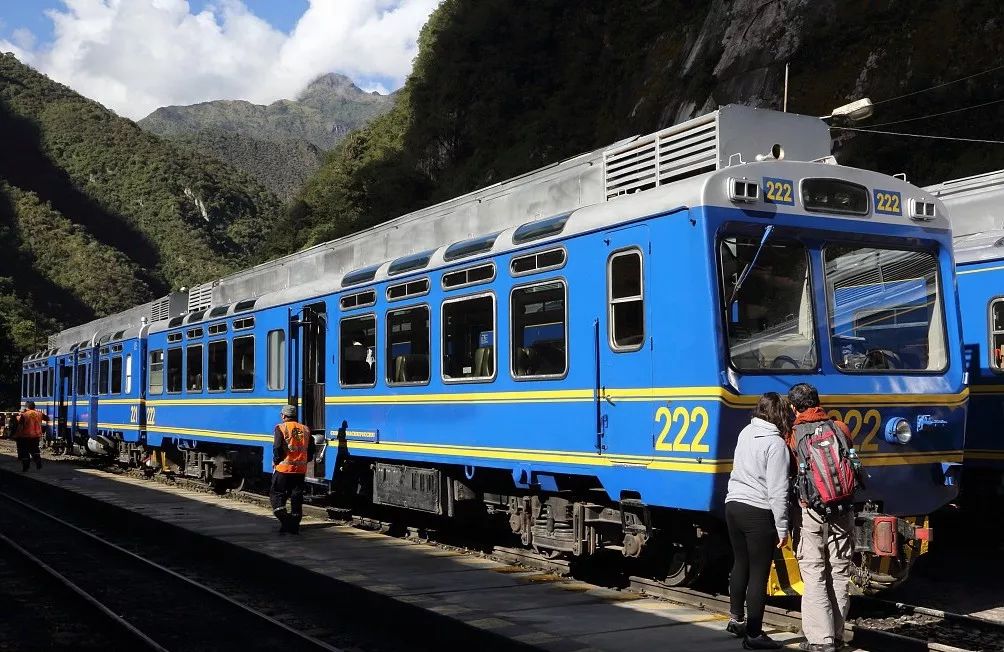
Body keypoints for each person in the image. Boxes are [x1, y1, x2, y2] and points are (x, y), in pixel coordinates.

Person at [787, 383, 854, 652]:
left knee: (814, 573)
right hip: (843, 507)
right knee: (839, 572)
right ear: (819, 402)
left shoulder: (793, 436)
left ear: (794, 408)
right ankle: (837, 635)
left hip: (811, 510)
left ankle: (820, 640)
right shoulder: (840, 428)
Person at [724, 392, 793, 650]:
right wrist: (782, 526)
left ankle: (735, 620)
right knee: (759, 573)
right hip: (757, 510)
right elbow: (778, 490)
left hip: (734, 504)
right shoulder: (776, 445)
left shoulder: (745, 432)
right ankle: (753, 634)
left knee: (740, 562)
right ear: (781, 414)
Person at [270, 405, 315, 534]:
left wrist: (276, 461)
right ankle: (294, 527)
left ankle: (286, 522)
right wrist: (303, 461)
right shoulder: (305, 429)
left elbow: (277, 448)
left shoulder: (281, 428)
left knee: (276, 495)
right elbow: (311, 450)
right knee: (296, 498)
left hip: (283, 469)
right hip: (300, 470)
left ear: (283, 416)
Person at [15, 401, 48, 472]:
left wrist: (17, 435)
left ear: (27, 407)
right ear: (34, 406)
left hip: (25, 436)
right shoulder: (39, 413)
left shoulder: (24, 415)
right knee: (35, 450)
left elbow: (20, 425)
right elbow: (47, 418)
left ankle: (26, 467)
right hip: (36, 436)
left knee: (25, 452)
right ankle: (38, 462)